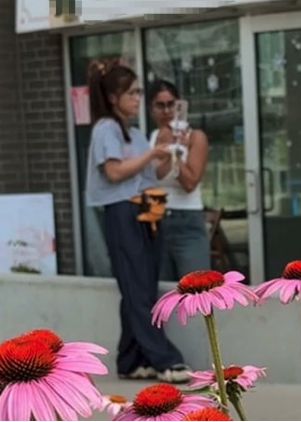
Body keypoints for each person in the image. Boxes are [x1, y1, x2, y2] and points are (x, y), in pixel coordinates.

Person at [84, 61, 190, 383]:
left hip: (144, 212)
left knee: (142, 286)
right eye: (131, 93)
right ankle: (164, 359)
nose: (137, 98)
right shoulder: (105, 129)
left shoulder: (132, 132)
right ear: (114, 97)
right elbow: (114, 172)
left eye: (138, 92)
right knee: (136, 287)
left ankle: (131, 360)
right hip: (120, 213)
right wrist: (150, 154)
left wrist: (171, 152)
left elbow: (151, 173)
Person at [146, 80, 212, 281]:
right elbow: (154, 177)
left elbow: (190, 182)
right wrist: (165, 150)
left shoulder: (195, 137)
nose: (167, 111)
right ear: (151, 109)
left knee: (196, 289)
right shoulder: (153, 137)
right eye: (160, 105)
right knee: (164, 292)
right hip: (158, 218)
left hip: (187, 218)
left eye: (171, 104)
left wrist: (176, 154)